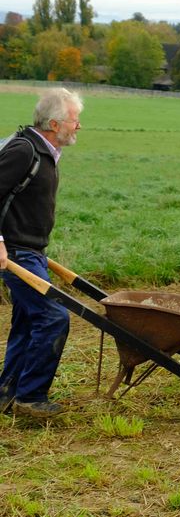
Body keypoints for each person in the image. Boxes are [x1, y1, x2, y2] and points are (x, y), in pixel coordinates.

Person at [0, 88, 83, 418]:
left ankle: (6, 393)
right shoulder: (24, 150)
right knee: (53, 318)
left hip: (31, 251)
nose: (78, 127)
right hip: (16, 252)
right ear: (54, 123)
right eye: (74, 120)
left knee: (28, 321)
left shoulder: (45, 152)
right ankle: (31, 397)